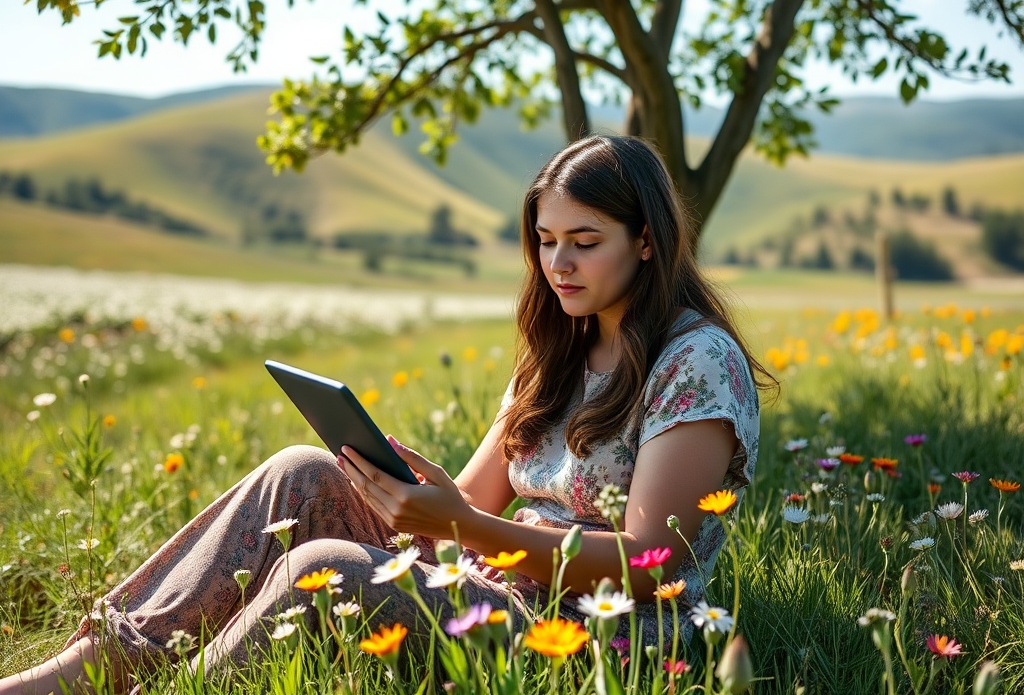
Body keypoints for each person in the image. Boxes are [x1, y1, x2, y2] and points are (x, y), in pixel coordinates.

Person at [1, 134, 772, 694]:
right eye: (544, 241)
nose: (558, 264)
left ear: (645, 241)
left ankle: (174, 693)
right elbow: (471, 501)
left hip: (597, 634)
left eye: (583, 242)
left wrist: (458, 527)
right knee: (297, 473)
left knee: (323, 568)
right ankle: (82, 671)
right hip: (491, 579)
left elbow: (653, 562)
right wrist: (415, 493)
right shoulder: (559, 347)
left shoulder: (694, 362)